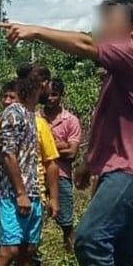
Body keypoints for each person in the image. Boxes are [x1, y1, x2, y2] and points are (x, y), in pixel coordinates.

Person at [0, 0, 133, 266]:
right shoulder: (119, 74)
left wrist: (34, 31)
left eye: (110, 21)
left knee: (89, 238)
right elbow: (113, 126)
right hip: (121, 167)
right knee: (125, 246)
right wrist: (89, 163)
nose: (102, 28)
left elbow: (86, 45)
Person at [0, 78, 58, 266]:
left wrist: (49, 197)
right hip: (14, 195)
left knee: (28, 250)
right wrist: (21, 193)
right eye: (47, 85)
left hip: (34, 193)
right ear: (38, 85)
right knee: (10, 250)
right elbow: (8, 155)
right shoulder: (14, 113)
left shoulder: (32, 116)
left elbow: (45, 161)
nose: (50, 89)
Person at [41, 78, 83, 252]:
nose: (50, 99)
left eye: (54, 95)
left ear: (61, 96)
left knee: (66, 223)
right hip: (37, 175)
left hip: (62, 176)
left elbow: (72, 153)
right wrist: (61, 145)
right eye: (47, 95)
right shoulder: (35, 118)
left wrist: (45, 146)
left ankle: (71, 257)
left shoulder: (70, 120)